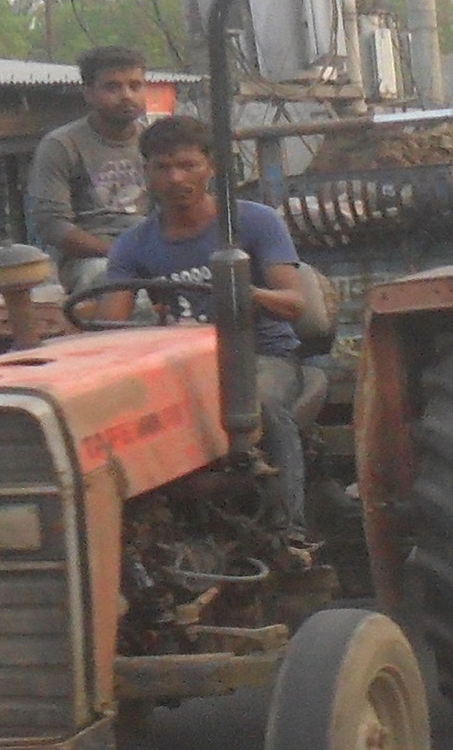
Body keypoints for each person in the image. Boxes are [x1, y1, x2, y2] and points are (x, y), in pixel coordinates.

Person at [96, 115, 313, 545]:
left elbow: (294, 303)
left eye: (187, 165)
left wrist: (242, 290)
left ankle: (290, 531)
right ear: (147, 173)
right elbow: (108, 323)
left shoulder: (254, 222)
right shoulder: (134, 245)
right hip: (182, 367)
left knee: (262, 403)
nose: (176, 178)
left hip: (261, 355)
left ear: (210, 166)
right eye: (162, 167)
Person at [25, 45, 152, 292]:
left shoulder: (154, 142)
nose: (127, 95)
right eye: (112, 87)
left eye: (135, 85)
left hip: (151, 248)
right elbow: (52, 225)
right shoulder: (61, 145)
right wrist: (120, 253)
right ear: (89, 94)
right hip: (90, 260)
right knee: (112, 281)